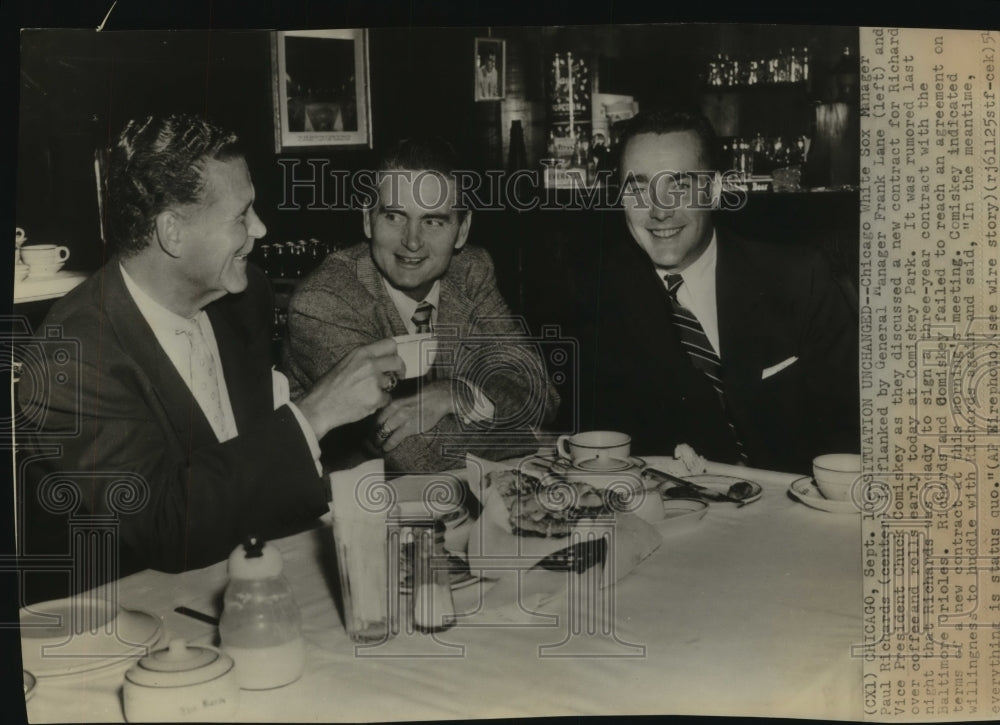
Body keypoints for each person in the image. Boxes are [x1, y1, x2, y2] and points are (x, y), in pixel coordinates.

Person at [16, 114, 403, 600]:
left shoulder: (244, 296)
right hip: (134, 617)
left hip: (259, 585)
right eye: (241, 216)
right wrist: (314, 415)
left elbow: (249, 474)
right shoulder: (70, 359)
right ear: (172, 232)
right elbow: (163, 529)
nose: (260, 229)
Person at [589, 109, 858, 474]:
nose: (658, 210)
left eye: (679, 186)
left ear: (713, 190)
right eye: (638, 188)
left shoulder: (799, 278)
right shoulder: (599, 299)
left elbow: (855, 430)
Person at [282, 137, 559, 473]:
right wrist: (534, 438)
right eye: (395, 217)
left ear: (461, 230)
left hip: (463, 503)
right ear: (368, 220)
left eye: (433, 221)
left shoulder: (471, 271)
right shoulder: (326, 299)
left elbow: (540, 392)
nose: (412, 241)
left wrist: (456, 394)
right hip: (360, 510)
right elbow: (416, 455)